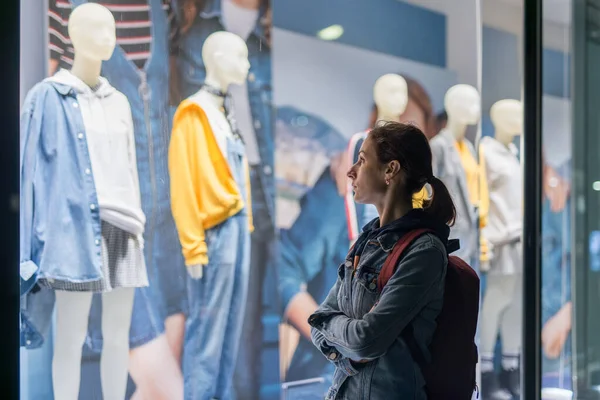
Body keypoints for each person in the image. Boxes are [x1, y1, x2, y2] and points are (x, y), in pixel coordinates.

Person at [309, 121, 456, 399]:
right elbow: (319, 322)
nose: (350, 171)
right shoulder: (366, 242)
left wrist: (330, 327)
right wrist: (346, 346)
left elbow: (365, 341)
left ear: (390, 170)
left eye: (362, 161)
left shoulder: (424, 251)